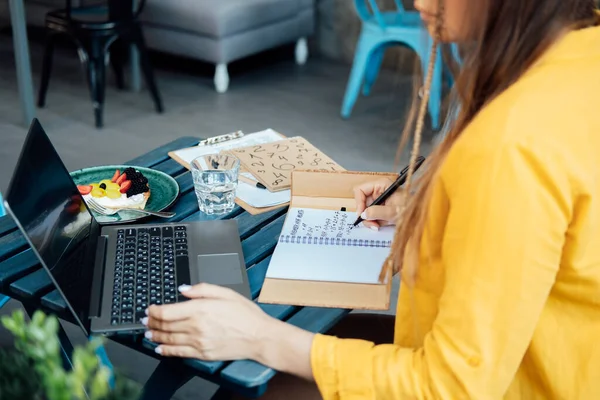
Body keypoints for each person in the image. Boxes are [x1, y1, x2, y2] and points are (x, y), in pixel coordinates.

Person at [142, 0, 600, 398]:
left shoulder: (510, 143)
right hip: (554, 365)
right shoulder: (582, 53)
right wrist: (433, 210)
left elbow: (452, 388)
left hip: (521, 384)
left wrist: (260, 337)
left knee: (249, 382)